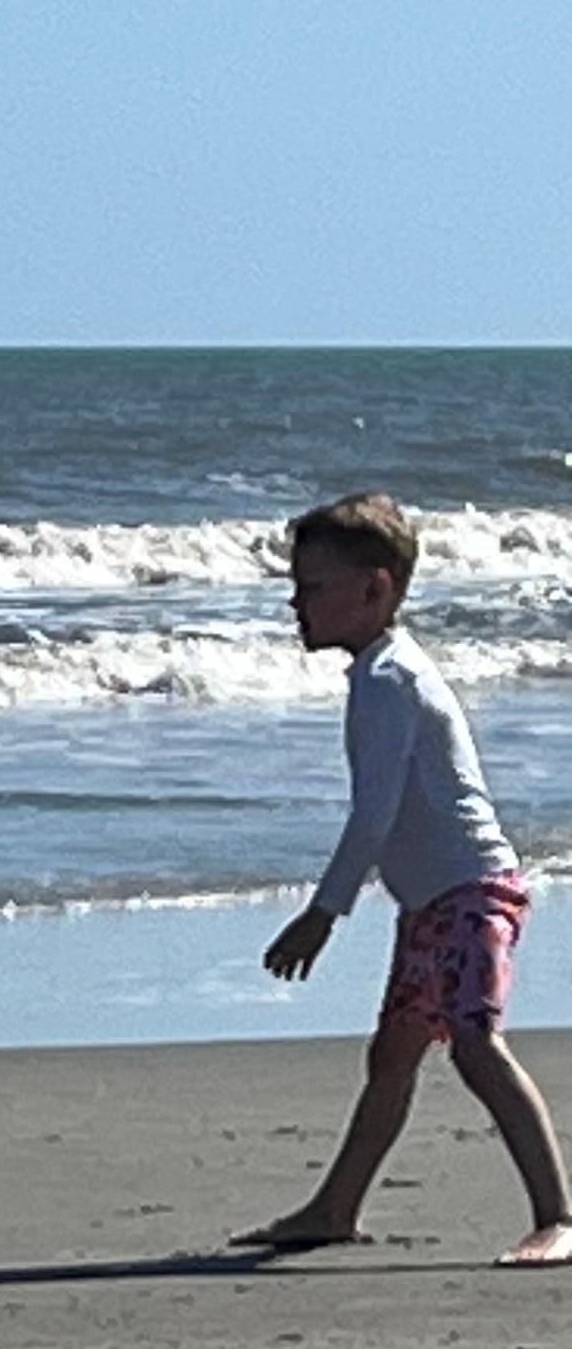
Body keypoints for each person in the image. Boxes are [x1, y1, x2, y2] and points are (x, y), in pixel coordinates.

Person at [242, 493, 572, 1266]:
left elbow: (374, 819)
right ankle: (334, 1208)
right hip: (431, 904)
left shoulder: (392, 680)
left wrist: (322, 916)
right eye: (295, 587)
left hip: (472, 894)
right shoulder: (375, 676)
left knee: (473, 1044)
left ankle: (558, 1215)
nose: (297, 604)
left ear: (375, 589)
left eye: (314, 587)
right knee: (392, 1055)